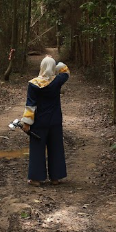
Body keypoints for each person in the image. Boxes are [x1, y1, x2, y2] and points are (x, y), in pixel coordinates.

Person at [21, 55, 70, 186]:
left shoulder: (33, 84)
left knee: (37, 149)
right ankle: (56, 178)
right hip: (55, 121)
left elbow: (30, 105)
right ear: (53, 68)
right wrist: (54, 63)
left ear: (41, 67)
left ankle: (36, 179)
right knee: (56, 147)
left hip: (39, 122)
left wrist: (26, 123)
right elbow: (65, 69)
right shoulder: (58, 80)